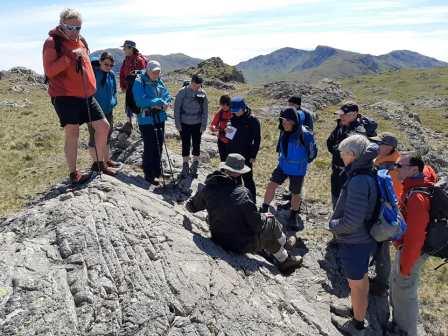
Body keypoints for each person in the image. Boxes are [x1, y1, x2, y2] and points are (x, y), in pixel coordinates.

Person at [185, 153, 303, 275]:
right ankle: (285, 256)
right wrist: (265, 217)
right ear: (239, 173)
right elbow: (257, 225)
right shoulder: (242, 193)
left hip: (218, 237)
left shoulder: (209, 186)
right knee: (270, 222)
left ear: (225, 168)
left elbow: (191, 207)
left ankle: (282, 248)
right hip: (238, 244)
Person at [43, 8, 114, 185]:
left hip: (86, 95)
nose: (74, 31)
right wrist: (68, 58)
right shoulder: (52, 43)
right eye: (70, 27)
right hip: (64, 95)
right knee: (72, 132)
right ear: (61, 24)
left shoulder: (81, 41)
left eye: (78, 28)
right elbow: (49, 71)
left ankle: (98, 164)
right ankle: (74, 173)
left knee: (103, 127)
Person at [329, 134, 379, 336]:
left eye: (342, 152)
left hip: (355, 240)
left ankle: (357, 325)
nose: (340, 156)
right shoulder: (365, 172)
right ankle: (356, 310)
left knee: (356, 284)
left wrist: (333, 225)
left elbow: (352, 221)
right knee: (361, 280)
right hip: (363, 238)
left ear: (352, 154)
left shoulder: (359, 180)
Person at [387, 153, 437, 336]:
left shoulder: (417, 197)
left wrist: (406, 265)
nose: (396, 168)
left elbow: (415, 237)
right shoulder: (417, 184)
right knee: (399, 287)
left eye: (400, 166)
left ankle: (406, 331)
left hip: (412, 253)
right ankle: (398, 325)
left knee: (405, 291)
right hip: (409, 249)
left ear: (414, 169)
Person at [260, 108, 316, 231]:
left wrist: (302, 163)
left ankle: (293, 216)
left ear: (294, 121)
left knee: (295, 193)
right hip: (283, 165)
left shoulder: (305, 134)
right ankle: (264, 208)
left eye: (287, 121)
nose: (284, 123)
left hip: (298, 169)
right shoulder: (284, 131)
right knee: (271, 184)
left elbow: (312, 153)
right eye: (283, 120)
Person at [369, 132, 402, 297]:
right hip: (381, 210)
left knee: (382, 247)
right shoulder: (385, 160)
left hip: (385, 214)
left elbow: (393, 195)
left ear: (389, 147)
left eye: (379, 143)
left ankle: (382, 284)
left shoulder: (393, 168)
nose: (376, 146)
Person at [327, 102, 377, 208]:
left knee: (346, 204)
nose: (341, 116)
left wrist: (338, 151)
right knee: (336, 200)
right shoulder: (342, 126)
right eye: (340, 114)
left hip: (348, 174)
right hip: (337, 171)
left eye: (344, 114)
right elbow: (330, 144)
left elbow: (343, 152)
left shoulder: (358, 132)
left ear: (354, 114)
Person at [132, 60, 172, 185]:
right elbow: (140, 101)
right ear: (148, 70)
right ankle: (148, 174)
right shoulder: (139, 81)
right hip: (146, 119)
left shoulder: (159, 81)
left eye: (158, 72)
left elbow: (167, 95)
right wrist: (158, 101)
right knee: (150, 146)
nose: (156, 74)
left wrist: (165, 102)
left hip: (159, 117)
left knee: (159, 144)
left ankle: (157, 170)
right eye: (154, 72)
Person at [89, 52, 121, 169]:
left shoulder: (111, 75)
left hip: (108, 110)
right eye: (106, 64)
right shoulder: (93, 73)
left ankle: (107, 160)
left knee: (107, 135)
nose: (108, 67)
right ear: (100, 62)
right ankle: (97, 163)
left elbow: (114, 91)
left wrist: (114, 101)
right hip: (95, 111)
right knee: (94, 137)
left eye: (111, 65)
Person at [226, 96, 261, 200]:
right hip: (233, 152)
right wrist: (228, 132)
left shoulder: (252, 120)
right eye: (233, 111)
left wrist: (253, 155)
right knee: (233, 178)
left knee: (248, 179)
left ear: (243, 108)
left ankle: (252, 201)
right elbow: (230, 137)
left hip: (246, 153)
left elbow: (257, 139)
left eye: (237, 111)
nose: (235, 113)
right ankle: (236, 200)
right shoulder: (233, 118)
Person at [174, 74, 209, 178]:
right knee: (185, 144)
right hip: (184, 123)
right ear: (191, 82)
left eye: (199, 86)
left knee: (196, 144)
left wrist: (203, 125)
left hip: (197, 124)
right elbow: (177, 109)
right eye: (195, 85)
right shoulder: (182, 92)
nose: (197, 88)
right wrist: (178, 124)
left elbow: (205, 111)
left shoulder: (202, 93)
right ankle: (185, 164)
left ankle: (195, 163)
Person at [119, 40, 147, 126]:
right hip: (129, 87)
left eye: (125, 48)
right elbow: (122, 73)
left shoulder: (139, 60)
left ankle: (141, 124)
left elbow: (142, 75)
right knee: (129, 105)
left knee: (138, 105)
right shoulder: (126, 60)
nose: (123, 50)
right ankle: (129, 123)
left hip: (137, 88)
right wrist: (123, 86)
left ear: (131, 48)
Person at [209, 95, 232, 162]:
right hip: (221, 140)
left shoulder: (234, 113)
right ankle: (223, 171)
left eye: (226, 105)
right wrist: (213, 128)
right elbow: (213, 124)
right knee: (223, 159)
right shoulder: (220, 113)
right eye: (222, 105)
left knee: (231, 160)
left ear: (229, 104)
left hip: (232, 141)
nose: (224, 107)